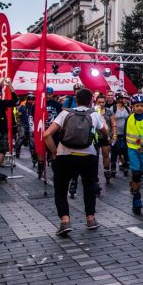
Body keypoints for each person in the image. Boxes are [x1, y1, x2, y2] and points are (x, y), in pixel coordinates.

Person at [43, 88, 108, 234]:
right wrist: (101, 120)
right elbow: (105, 132)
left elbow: (47, 134)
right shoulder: (94, 114)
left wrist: (55, 152)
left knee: (61, 189)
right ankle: (90, 219)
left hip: (65, 156)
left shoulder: (65, 113)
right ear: (91, 100)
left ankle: (65, 222)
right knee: (89, 187)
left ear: (76, 100)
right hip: (88, 156)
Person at [94, 94, 114, 180]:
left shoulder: (109, 111)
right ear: (96, 102)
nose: (101, 104)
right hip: (96, 136)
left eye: (103, 102)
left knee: (106, 153)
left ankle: (106, 170)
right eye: (99, 102)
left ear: (105, 102)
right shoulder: (93, 111)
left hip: (106, 136)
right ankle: (95, 175)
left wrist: (114, 134)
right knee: (95, 156)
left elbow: (113, 123)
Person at [110, 93, 130, 177]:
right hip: (115, 133)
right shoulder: (113, 108)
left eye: (126, 98)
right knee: (115, 150)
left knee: (125, 150)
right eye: (124, 98)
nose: (126, 100)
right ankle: (113, 167)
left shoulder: (127, 108)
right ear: (119, 99)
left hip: (125, 134)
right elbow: (111, 121)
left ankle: (125, 166)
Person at [14, 92, 37, 163]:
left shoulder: (35, 107)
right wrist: (18, 124)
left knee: (32, 140)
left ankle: (33, 156)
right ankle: (17, 151)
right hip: (23, 124)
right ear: (27, 99)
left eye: (32, 99)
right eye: (29, 99)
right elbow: (18, 116)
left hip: (31, 125)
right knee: (21, 137)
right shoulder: (22, 107)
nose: (30, 101)